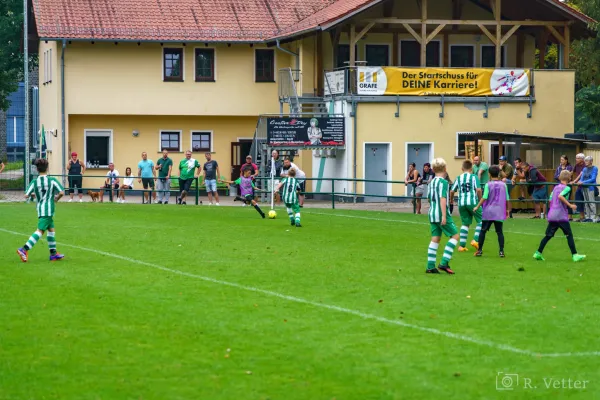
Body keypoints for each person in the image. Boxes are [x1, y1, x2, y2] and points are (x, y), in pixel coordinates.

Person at [17, 159, 65, 262]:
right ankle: (24, 249)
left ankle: (53, 254)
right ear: (47, 168)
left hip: (40, 209)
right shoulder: (52, 180)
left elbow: (26, 195)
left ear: (37, 169)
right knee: (40, 231)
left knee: (51, 230)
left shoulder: (34, 182)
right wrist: (56, 198)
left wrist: (36, 195)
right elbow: (61, 192)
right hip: (48, 209)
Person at [534, 170, 586, 263]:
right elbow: (560, 196)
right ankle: (575, 255)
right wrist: (570, 205)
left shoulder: (555, 187)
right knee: (569, 235)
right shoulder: (567, 188)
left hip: (553, 214)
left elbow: (550, 200)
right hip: (561, 215)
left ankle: (538, 253)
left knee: (548, 235)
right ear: (569, 178)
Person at [424, 158, 458, 275]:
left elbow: (428, 197)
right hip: (441, 213)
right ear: (445, 169)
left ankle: (430, 266)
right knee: (455, 236)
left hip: (432, 213)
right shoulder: (444, 183)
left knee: (436, 237)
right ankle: (444, 262)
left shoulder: (431, 182)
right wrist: (444, 215)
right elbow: (443, 198)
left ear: (433, 169)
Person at [473, 165, 509, 258]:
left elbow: (484, 197)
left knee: (483, 231)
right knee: (499, 232)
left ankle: (479, 250)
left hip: (488, 211)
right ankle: (501, 251)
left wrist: (477, 206)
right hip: (499, 211)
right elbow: (507, 199)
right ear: (498, 173)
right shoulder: (503, 185)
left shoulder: (488, 184)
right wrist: (508, 210)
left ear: (489, 174)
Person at [451, 160, 482, 252]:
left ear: (462, 168)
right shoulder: (473, 177)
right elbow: (479, 190)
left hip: (461, 203)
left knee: (465, 224)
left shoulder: (458, 178)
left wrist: (451, 200)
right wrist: (480, 201)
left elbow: (452, 191)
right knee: (482, 220)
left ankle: (461, 246)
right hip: (472, 202)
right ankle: (475, 240)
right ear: (471, 168)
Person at [574, 155, 598, 223]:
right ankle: (587, 217)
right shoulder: (584, 169)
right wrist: (580, 181)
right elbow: (582, 178)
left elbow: (593, 179)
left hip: (591, 187)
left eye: (587, 161)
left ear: (591, 161)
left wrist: (582, 182)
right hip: (584, 187)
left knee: (591, 202)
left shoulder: (595, 168)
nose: (586, 162)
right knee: (586, 202)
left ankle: (593, 217)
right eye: (585, 161)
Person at [571, 153, 586, 221]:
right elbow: (572, 172)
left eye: (578, 158)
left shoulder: (585, 166)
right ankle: (581, 217)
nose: (576, 159)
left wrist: (574, 181)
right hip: (579, 186)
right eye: (576, 158)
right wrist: (565, 176)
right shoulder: (576, 165)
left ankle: (588, 217)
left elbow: (580, 175)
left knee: (586, 201)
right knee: (578, 200)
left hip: (585, 186)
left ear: (582, 159)